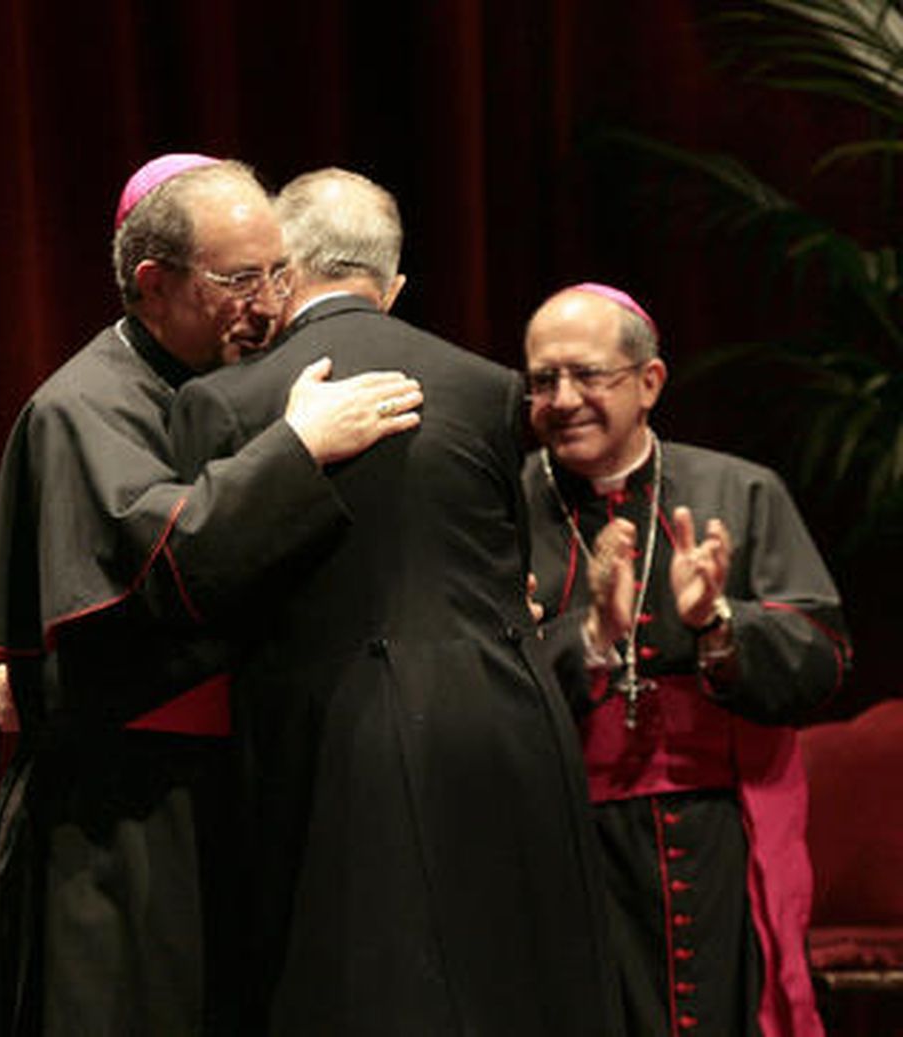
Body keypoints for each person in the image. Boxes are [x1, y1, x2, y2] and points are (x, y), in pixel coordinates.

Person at [0, 156, 422, 1036]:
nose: (271, 301)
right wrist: (296, 450)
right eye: (241, 279)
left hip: (236, 791)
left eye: (280, 271)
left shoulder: (245, 377)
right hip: (125, 816)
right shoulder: (84, 404)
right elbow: (169, 556)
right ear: (153, 286)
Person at [169, 168, 618, 1035]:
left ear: (282, 270)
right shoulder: (489, 388)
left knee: (357, 989)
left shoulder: (219, 402)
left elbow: (210, 581)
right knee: (516, 984)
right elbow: (508, 569)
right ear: (395, 284)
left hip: (330, 731)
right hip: (504, 720)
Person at [522, 283, 850, 1037]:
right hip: (568, 838)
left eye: (587, 375)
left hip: (722, 833)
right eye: (543, 379)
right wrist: (593, 636)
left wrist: (716, 621)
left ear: (649, 382)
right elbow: (475, 672)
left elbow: (824, 655)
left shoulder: (741, 490)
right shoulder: (505, 505)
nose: (563, 398)